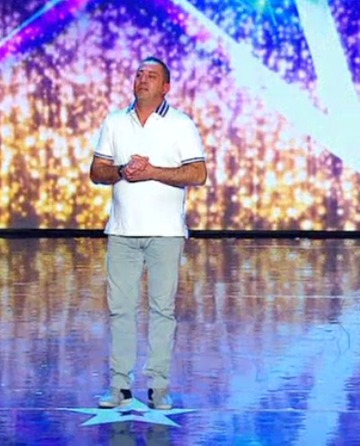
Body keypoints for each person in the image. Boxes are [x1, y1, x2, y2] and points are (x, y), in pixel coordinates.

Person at [89, 56, 207, 410]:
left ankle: (158, 387)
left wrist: (152, 171)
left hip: (165, 233)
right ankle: (119, 386)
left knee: (161, 311)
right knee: (120, 310)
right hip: (122, 232)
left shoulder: (181, 124)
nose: (142, 79)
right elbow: (97, 171)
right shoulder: (114, 121)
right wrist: (122, 171)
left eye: (151, 75)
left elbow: (198, 173)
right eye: (139, 74)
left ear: (165, 87)